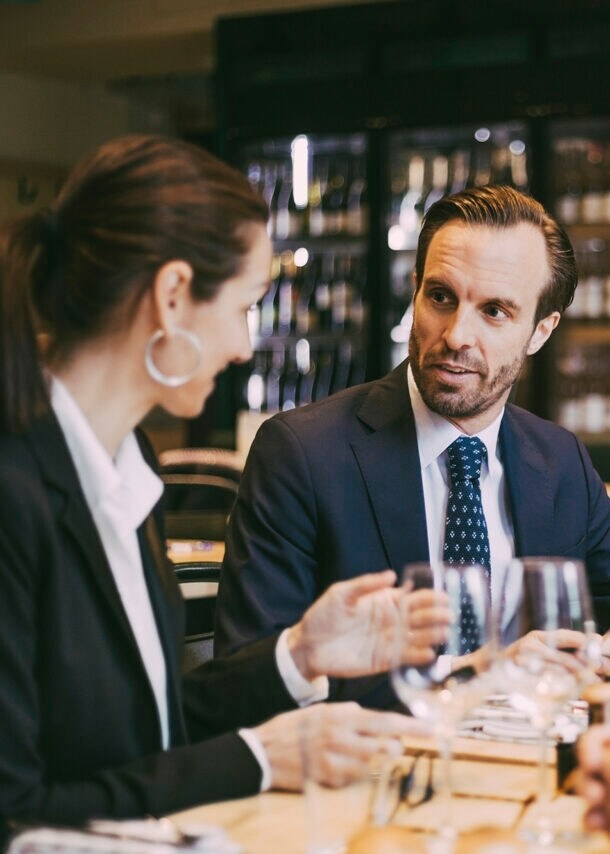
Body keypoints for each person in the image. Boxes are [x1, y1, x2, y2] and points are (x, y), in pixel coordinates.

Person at [0, 135, 453, 839]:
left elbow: (147, 720)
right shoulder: (14, 491)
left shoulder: (130, 465)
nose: (246, 346)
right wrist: (260, 758)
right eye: (246, 305)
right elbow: (18, 810)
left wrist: (297, 656)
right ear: (173, 295)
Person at [216, 184, 610, 708]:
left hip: (537, 777)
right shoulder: (302, 455)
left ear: (541, 330)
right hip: (372, 775)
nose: (455, 336)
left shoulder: (561, 461)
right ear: (416, 291)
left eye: (494, 311)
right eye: (440, 297)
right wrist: (481, 677)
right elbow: (250, 681)